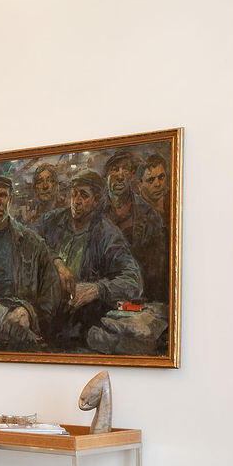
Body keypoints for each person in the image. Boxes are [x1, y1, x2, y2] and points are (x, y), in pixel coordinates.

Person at [40, 169, 143, 345]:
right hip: (43, 316)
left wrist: (97, 289)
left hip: (79, 326)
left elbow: (134, 282)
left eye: (83, 195)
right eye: (73, 194)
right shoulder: (53, 220)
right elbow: (29, 239)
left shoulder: (107, 234)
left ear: (96, 200)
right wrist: (57, 262)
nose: (76, 201)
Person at [0, 175, 64, 338]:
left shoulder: (32, 242)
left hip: (24, 327)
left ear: (10, 199)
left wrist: (30, 314)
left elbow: (51, 293)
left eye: (2, 195)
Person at [104, 147, 169, 299]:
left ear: (132, 176)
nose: (120, 176)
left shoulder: (150, 216)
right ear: (106, 175)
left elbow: (156, 273)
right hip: (99, 299)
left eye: (125, 170)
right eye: (115, 170)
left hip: (137, 298)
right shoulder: (94, 213)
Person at [28, 163, 66, 230]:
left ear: (56, 185)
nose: (45, 186)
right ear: (35, 188)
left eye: (49, 180)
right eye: (40, 181)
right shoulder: (33, 221)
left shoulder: (65, 217)